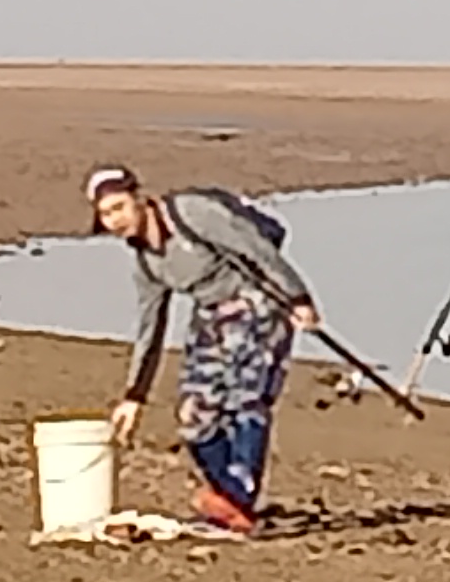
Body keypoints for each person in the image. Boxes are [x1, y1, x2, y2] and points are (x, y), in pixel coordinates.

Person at [89, 165, 319, 534]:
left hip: (258, 301)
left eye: (119, 207)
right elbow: (151, 327)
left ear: (139, 199)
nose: (115, 220)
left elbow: (255, 248)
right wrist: (134, 395)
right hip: (210, 316)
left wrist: (297, 296)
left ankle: (239, 497)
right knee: (193, 416)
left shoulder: (193, 212)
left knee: (246, 399)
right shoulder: (147, 264)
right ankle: (228, 495)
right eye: (106, 214)